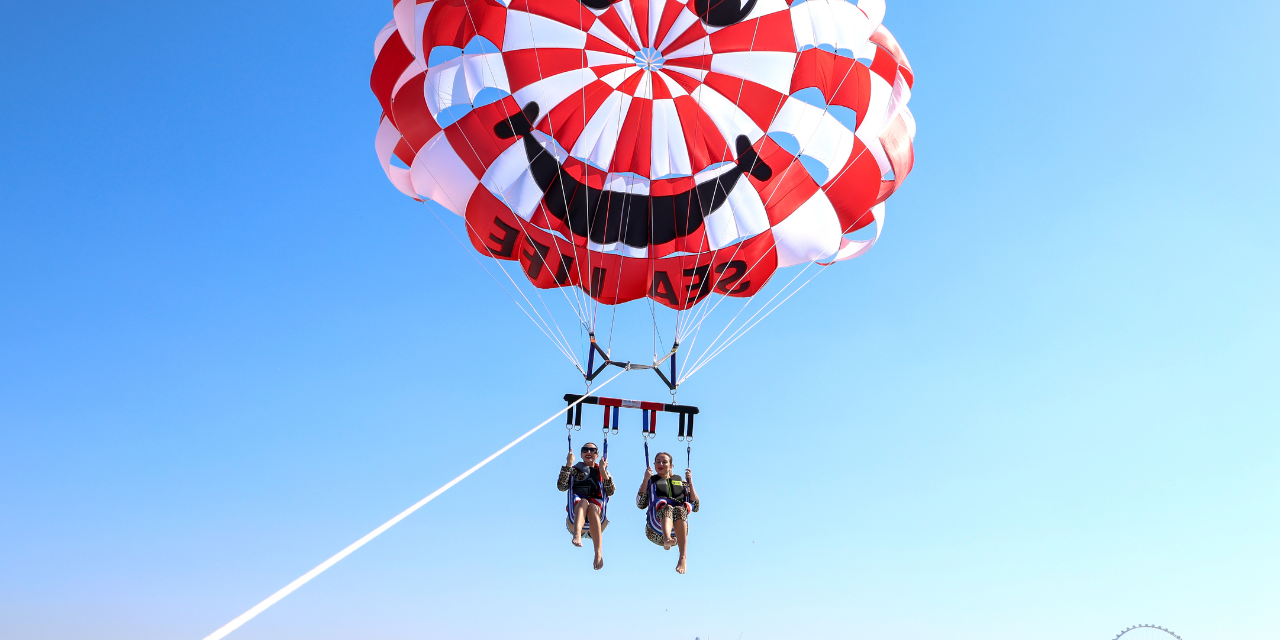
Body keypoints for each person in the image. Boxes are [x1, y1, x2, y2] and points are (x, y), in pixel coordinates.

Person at [636, 451, 700, 574]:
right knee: (667, 507)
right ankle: (667, 539)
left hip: (677, 533)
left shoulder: (681, 482)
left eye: (664, 462)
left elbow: (696, 506)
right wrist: (646, 479)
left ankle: (682, 557)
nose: (661, 464)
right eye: (658, 461)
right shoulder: (651, 481)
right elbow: (640, 504)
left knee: (680, 509)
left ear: (671, 466)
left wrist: (690, 481)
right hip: (655, 529)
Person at [557, 442, 614, 570]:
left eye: (592, 450)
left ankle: (598, 552)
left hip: (597, 517)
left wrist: (603, 471)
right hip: (576, 516)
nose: (589, 452)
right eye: (585, 450)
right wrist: (568, 464)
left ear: (597, 454)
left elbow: (610, 491)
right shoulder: (574, 470)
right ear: (581, 454)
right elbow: (561, 486)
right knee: (583, 502)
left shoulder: (603, 471)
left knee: (593, 507)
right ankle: (577, 536)